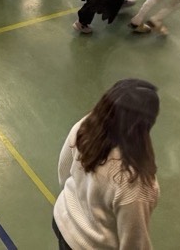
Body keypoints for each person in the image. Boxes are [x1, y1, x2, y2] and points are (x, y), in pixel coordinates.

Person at [53, 79, 161, 250]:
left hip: (63, 219)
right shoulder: (134, 181)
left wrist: (77, 204)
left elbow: (64, 169)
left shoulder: (87, 126)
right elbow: (134, 243)